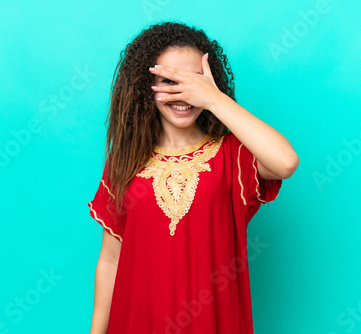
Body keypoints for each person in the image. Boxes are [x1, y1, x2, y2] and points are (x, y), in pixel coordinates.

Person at [88, 21, 299, 334]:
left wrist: (213, 99)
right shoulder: (125, 161)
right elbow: (110, 260)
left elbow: (285, 162)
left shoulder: (232, 155)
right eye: (169, 81)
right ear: (147, 86)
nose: (183, 93)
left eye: (194, 82)